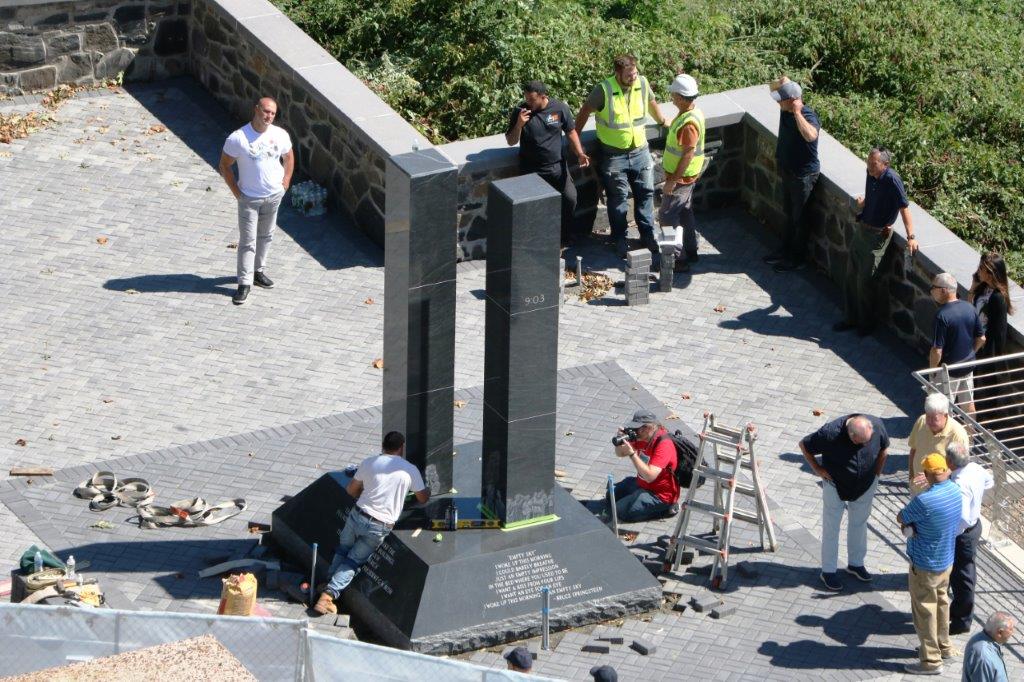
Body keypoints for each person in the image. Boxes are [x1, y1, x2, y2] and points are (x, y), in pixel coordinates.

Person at [313, 431, 430, 616]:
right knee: (353, 561)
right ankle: (328, 596)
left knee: (343, 549)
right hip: (379, 525)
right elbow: (422, 498)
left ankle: (327, 583)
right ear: (401, 447)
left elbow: (351, 490)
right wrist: (426, 488)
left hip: (357, 515)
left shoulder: (369, 462)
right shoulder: (410, 470)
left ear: (383, 445)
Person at [575, 55, 668, 261]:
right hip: (613, 155)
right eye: (628, 75)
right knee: (618, 200)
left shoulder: (642, 83)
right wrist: (576, 140)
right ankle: (619, 238)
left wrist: (662, 121)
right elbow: (584, 112)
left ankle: (647, 235)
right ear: (617, 73)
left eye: (635, 72)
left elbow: (651, 102)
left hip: (641, 151)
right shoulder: (604, 89)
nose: (633, 77)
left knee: (645, 194)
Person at [799, 414, 888, 591]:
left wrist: (876, 475)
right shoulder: (829, 433)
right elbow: (804, 445)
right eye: (860, 443)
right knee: (832, 526)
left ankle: (856, 564)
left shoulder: (877, 426)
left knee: (859, 523)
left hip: (865, 485)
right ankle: (828, 571)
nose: (864, 445)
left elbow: (884, 450)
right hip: (835, 485)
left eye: (867, 442)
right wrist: (818, 469)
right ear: (851, 436)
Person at [219, 97, 294, 306]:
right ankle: (244, 282)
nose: (268, 116)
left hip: (273, 196)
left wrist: (285, 182)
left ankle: (258, 271)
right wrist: (238, 193)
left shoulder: (280, 134)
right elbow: (224, 166)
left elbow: (289, 157)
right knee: (248, 240)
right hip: (249, 199)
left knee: (266, 235)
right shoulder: (239, 138)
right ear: (256, 110)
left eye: (272, 113)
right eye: (265, 111)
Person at [835, 147, 917, 335]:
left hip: (877, 236)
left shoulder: (892, 179)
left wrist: (911, 236)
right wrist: (865, 203)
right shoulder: (871, 173)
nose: (869, 167)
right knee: (850, 275)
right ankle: (850, 318)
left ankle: (866, 323)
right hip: (862, 229)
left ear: (885, 164)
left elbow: (904, 208)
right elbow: (874, 194)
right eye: (868, 162)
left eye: (873, 164)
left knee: (866, 281)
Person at [897, 453, 964, 676]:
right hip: (947, 560)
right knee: (942, 602)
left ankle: (930, 661)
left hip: (925, 564)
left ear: (926, 474)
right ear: (946, 469)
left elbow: (902, 517)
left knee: (924, 611)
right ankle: (944, 646)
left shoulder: (924, 500)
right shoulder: (955, 490)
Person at [505, 81, 590, 244]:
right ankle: (538, 243)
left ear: (543, 97)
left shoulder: (559, 108)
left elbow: (571, 132)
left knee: (570, 199)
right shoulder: (520, 112)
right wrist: (519, 125)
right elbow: (511, 141)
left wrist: (580, 153)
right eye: (526, 99)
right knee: (534, 209)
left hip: (556, 167)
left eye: (531, 99)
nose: (528, 103)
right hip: (532, 170)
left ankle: (565, 237)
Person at [763, 77, 820, 273]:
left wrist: (797, 112)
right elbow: (773, 87)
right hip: (788, 170)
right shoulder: (784, 110)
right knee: (788, 215)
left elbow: (811, 136)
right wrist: (784, 82)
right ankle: (785, 251)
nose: (778, 102)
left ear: (793, 100)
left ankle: (797, 259)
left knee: (800, 219)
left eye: (782, 99)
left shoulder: (806, 114)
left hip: (803, 175)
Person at [658, 73, 705, 273]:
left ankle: (678, 258)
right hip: (687, 177)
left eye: (674, 95)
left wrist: (672, 181)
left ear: (681, 97)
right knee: (685, 213)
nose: (671, 97)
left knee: (667, 216)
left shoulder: (688, 125)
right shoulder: (691, 114)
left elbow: (687, 154)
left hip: (681, 179)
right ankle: (691, 250)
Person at [947, 442, 994, 635]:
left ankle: (960, 621)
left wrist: (952, 534)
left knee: (962, 578)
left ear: (950, 462)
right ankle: (956, 614)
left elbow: (963, 518)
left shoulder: (959, 484)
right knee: (964, 574)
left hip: (962, 535)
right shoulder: (975, 468)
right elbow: (990, 483)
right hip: (974, 528)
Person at [930, 272, 986, 416]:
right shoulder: (969, 308)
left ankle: (947, 437)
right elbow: (982, 338)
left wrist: (932, 372)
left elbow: (937, 350)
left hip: (949, 371)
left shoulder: (941, 315)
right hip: (967, 366)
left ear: (943, 290)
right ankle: (971, 437)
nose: (931, 290)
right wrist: (970, 353)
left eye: (933, 287)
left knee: (942, 410)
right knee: (968, 407)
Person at [608, 409, 679, 522]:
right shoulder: (643, 436)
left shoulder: (664, 444)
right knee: (610, 496)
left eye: (638, 428)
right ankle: (637, 498)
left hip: (660, 494)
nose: (635, 431)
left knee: (620, 511)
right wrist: (620, 441)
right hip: (643, 484)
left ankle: (667, 509)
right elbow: (620, 453)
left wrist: (632, 454)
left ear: (649, 427)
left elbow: (650, 476)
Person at [908, 393, 970, 496]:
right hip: (916, 489)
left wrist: (935, 477)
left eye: (934, 419)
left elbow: (960, 466)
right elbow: (913, 450)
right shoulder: (921, 421)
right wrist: (910, 477)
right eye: (928, 417)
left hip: (939, 494)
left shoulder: (958, 434)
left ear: (945, 415)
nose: (929, 422)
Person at [969, 252, 1014, 359]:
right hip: (975, 342)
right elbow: (971, 310)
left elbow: (998, 332)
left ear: (990, 273)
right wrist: (972, 288)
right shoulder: (983, 288)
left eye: (981, 268)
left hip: (985, 350)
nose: (978, 270)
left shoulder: (998, 297)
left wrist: (988, 355)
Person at [962, 611, 1016, 682]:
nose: (1013, 632)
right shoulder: (984, 658)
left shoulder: (980, 638)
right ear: (999, 632)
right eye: (1011, 629)